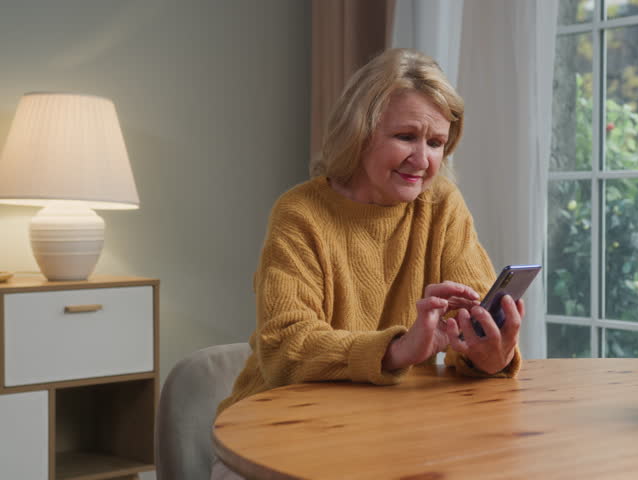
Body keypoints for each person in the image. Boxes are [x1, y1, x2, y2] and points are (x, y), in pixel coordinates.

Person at [211, 48, 524, 479]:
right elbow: (285, 348)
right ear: (359, 133)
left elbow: (472, 332)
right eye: (406, 137)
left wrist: (489, 353)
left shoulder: (442, 207)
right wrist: (398, 349)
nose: (423, 159)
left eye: (435, 143)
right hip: (274, 436)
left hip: (386, 433)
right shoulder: (301, 213)